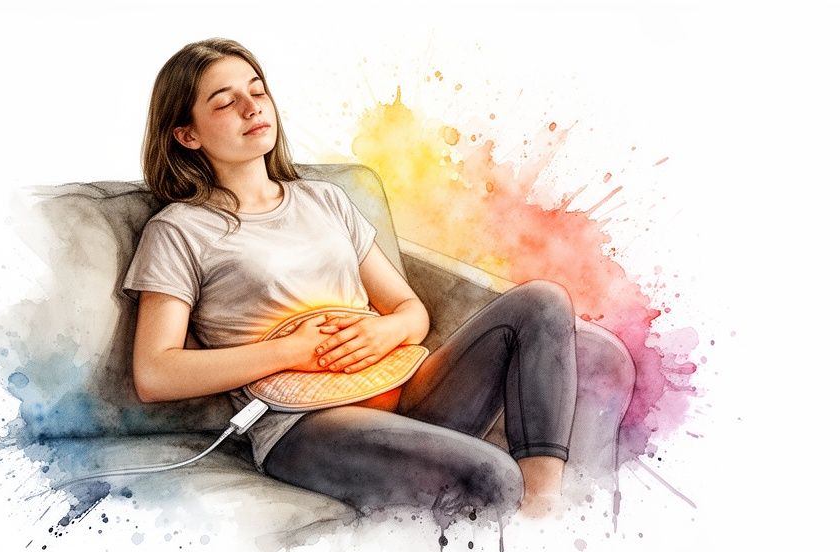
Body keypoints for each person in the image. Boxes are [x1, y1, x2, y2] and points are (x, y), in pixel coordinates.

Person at [122, 38, 577, 521]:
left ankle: (544, 514)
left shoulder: (324, 199)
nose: (253, 107)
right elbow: (155, 373)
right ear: (187, 135)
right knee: (491, 475)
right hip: (303, 424)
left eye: (258, 91)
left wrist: (386, 329)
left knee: (544, 300)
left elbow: (410, 311)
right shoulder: (180, 229)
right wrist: (289, 351)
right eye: (226, 101)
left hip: (400, 385)